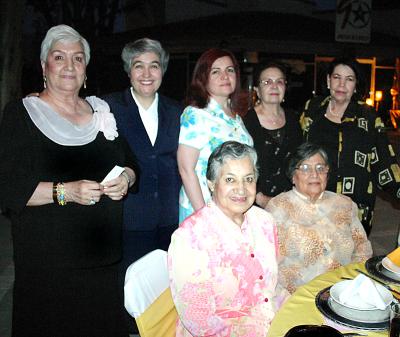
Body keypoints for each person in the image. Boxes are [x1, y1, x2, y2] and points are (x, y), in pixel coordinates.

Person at [0, 24, 138, 337]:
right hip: (50, 267)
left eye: (77, 58)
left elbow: (130, 162)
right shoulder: (22, 114)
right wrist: (66, 192)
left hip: (102, 264)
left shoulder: (101, 111)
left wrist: (126, 179)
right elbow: (9, 188)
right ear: (44, 66)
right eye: (59, 57)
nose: (69, 65)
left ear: (85, 70)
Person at [169, 141, 288, 337]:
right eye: (230, 180)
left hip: (271, 322)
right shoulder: (190, 237)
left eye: (248, 179)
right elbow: (198, 320)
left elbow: (273, 286)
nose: (241, 189)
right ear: (211, 184)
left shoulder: (265, 221)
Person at [103, 38, 182, 272]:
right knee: (130, 294)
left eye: (154, 65)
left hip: (170, 219)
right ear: (129, 71)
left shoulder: (178, 111)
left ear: (163, 71)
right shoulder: (108, 108)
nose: (147, 73)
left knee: (165, 294)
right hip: (129, 219)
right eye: (139, 65)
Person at [300, 57, 400, 235]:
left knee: (350, 260)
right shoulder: (312, 109)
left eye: (349, 79)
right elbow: (297, 151)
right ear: (328, 80)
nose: (342, 84)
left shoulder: (368, 116)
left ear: (355, 86)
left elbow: (384, 160)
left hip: (354, 208)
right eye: (337, 77)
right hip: (313, 204)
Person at [266, 142, 372, 294]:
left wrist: (353, 283)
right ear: (293, 176)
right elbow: (267, 262)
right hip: (295, 296)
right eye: (305, 168)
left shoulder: (344, 204)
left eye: (320, 168)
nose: (314, 174)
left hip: (342, 291)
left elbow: (362, 247)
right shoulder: (278, 208)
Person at [178, 48, 253, 222]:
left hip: (233, 207)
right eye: (216, 71)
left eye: (230, 70)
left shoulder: (236, 117)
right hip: (204, 209)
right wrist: (203, 215)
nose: (225, 76)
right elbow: (186, 169)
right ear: (203, 78)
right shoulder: (196, 114)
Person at [243, 61, 302, 208]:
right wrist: (261, 198)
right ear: (257, 89)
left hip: (292, 203)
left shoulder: (294, 118)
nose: (274, 86)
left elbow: (301, 159)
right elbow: (240, 166)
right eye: (267, 82)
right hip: (256, 204)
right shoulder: (246, 122)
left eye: (279, 81)